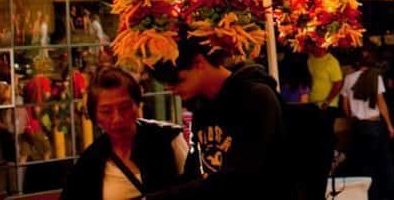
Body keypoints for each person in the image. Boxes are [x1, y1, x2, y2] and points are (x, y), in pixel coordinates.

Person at [155, 37, 289, 198]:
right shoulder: (202, 106)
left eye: (178, 81)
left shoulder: (256, 97)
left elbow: (242, 176)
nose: (172, 90)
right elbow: (193, 172)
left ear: (199, 62)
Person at [61, 67, 187, 200]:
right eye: (106, 111)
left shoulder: (167, 139)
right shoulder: (89, 163)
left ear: (137, 105)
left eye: (125, 108)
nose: (117, 118)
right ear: (95, 117)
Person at [342, 49, 394, 200]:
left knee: (364, 165)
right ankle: (387, 195)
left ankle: (370, 195)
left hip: (358, 126)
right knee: (383, 163)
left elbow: (345, 106)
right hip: (374, 125)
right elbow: (381, 102)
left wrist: (352, 119)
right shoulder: (375, 77)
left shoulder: (348, 78)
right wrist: (390, 125)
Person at [307, 46, 343, 196]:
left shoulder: (331, 61)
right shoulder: (310, 60)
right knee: (317, 136)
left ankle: (332, 159)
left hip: (327, 105)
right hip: (313, 103)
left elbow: (338, 83)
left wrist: (328, 101)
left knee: (326, 134)